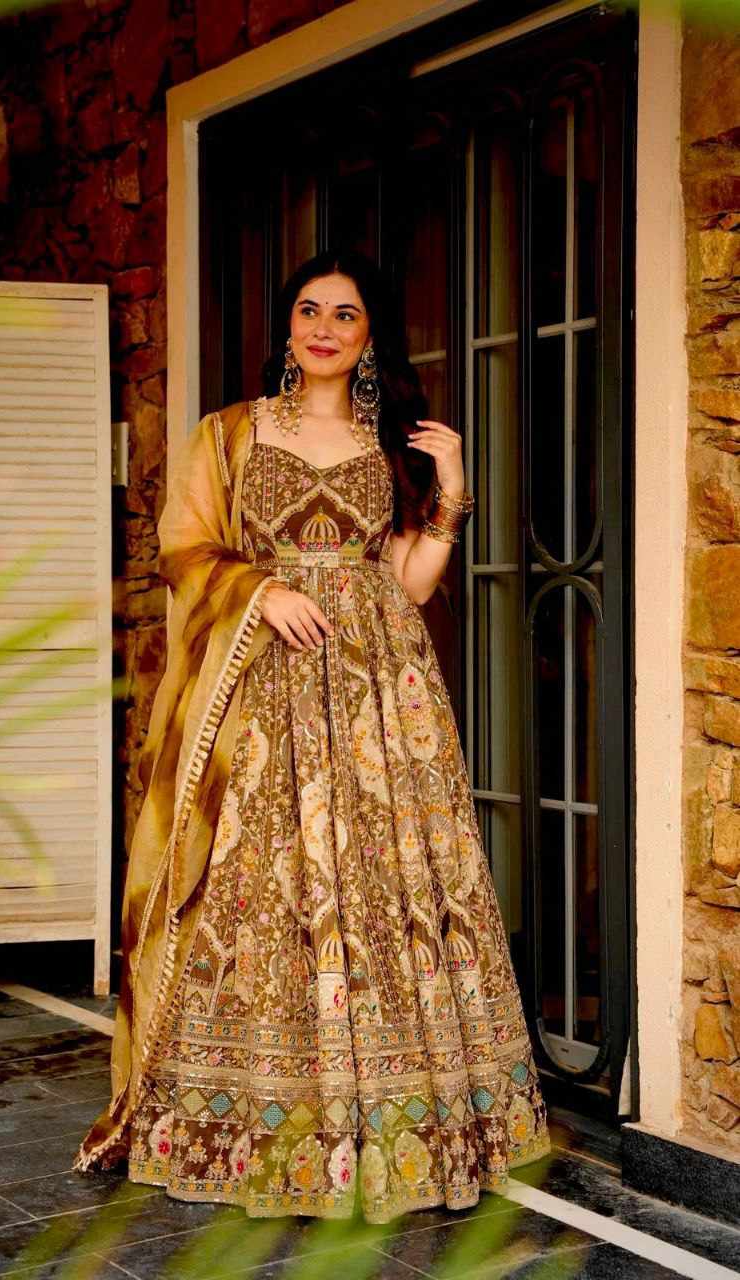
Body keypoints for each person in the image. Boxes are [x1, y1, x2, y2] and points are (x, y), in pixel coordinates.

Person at [76, 248, 551, 1223]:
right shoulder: (230, 434)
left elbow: (407, 581)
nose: (324, 327)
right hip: (264, 680)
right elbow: (182, 548)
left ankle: (395, 1111)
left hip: (381, 695)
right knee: (258, 880)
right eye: (308, 309)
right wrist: (263, 588)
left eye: (345, 313)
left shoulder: (391, 442)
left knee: (388, 883)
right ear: (287, 327)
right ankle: (254, 1109)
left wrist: (451, 483)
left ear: (370, 335)